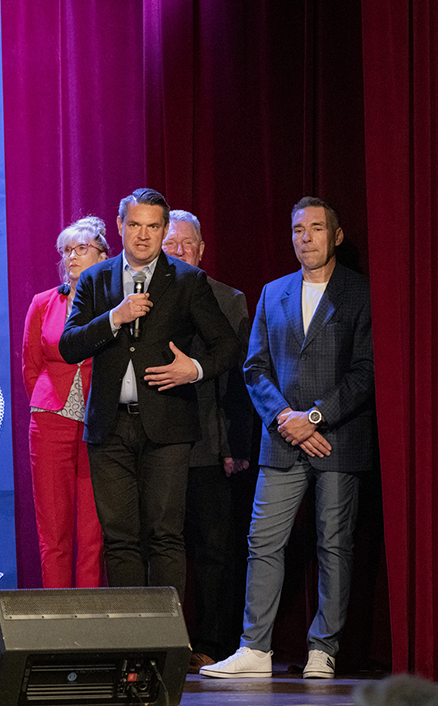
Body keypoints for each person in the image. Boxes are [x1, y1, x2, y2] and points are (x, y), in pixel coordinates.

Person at [201, 197, 374, 679]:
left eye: (316, 228)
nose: (306, 238)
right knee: (262, 541)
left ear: (336, 236)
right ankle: (255, 648)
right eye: (298, 229)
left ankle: (323, 648)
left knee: (333, 544)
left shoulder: (359, 292)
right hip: (281, 440)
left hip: (337, 439)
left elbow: (365, 371)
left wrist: (315, 418)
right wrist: (285, 418)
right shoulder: (273, 291)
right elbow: (254, 367)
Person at [58, 188, 240, 601]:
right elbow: (69, 346)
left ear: (163, 229)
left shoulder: (187, 280)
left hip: (168, 426)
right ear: (120, 226)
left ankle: (166, 635)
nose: (143, 235)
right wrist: (114, 317)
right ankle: (130, 634)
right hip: (109, 427)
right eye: (135, 225)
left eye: (153, 226)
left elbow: (227, 346)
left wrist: (193, 370)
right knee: (120, 538)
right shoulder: (95, 279)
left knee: (165, 535)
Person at [163, 211, 255, 672]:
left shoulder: (228, 298)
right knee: (163, 547)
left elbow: (241, 379)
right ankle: (163, 642)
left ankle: (214, 643)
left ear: (201, 250)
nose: (179, 250)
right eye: (171, 243)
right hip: (159, 442)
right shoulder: (143, 297)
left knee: (214, 550)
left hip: (209, 444)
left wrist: (235, 444)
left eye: (187, 243)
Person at [21, 216, 109, 588]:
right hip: (50, 420)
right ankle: (56, 610)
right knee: (53, 529)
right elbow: (30, 366)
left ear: (103, 256)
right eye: (67, 250)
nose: (72, 256)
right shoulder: (43, 303)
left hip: (98, 422)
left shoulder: (115, 304)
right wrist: (48, 402)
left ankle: (89, 614)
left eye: (81, 248)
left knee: (93, 530)